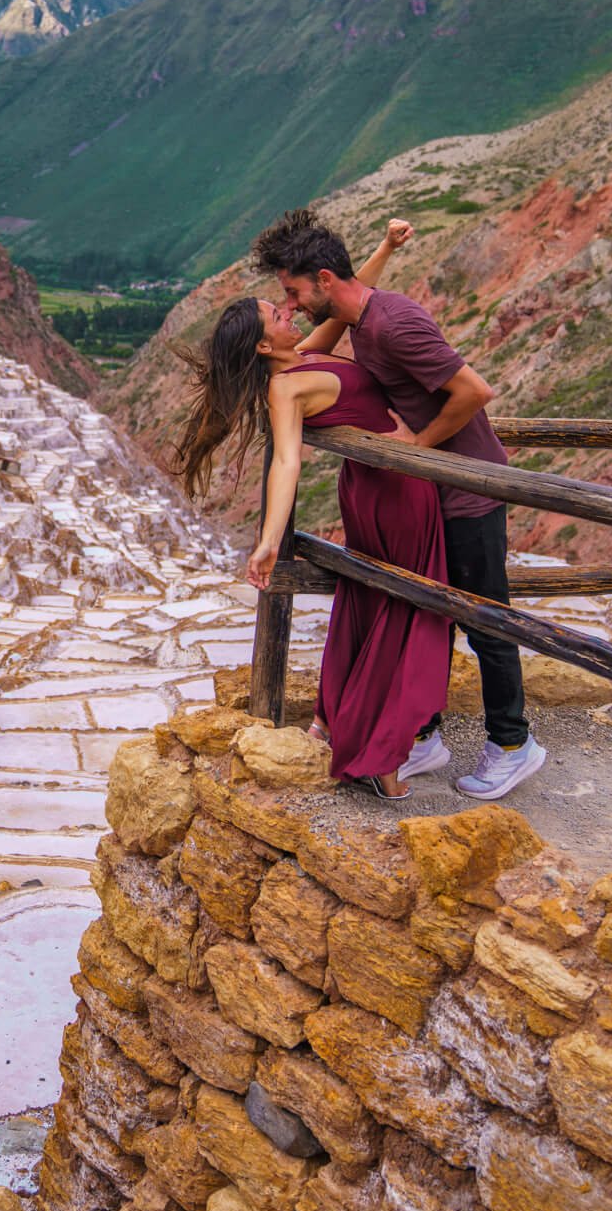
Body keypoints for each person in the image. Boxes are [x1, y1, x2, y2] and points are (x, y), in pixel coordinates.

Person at [251, 208, 545, 801]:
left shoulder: (392, 325)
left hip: (469, 489)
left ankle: (512, 745)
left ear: (326, 280)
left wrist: (414, 449)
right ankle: (424, 735)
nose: (293, 304)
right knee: (428, 611)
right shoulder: (359, 322)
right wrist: (385, 246)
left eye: (293, 291)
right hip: (430, 496)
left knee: (485, 620)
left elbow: (475, 392)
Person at [174, 219, 448, 798]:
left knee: (376, 605)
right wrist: (270, 540)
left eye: (285, 303)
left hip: (377, 492)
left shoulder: (300, 357)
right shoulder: (286, 387)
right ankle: (380, 756)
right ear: (262, 343)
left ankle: (342, 725)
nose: (286, 310)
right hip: (396, 493)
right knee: (404, 613)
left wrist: (385, 249)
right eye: (276, 313)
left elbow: (346, 298)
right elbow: (286, 465)